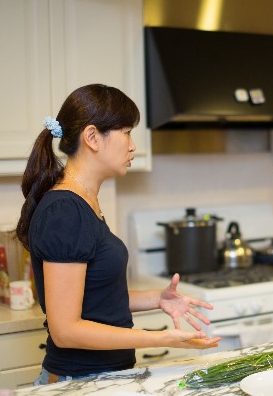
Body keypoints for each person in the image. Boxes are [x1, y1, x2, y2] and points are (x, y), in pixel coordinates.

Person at [16, 84, 220, 385]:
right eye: (126, 131)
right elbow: (66, 330)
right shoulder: (65, 210)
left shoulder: (85, 202)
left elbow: (95, 299)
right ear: (92, 137)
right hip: (78, 383)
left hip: (103, 378)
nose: (133, 146)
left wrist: (157, 298)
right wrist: (162, 338)